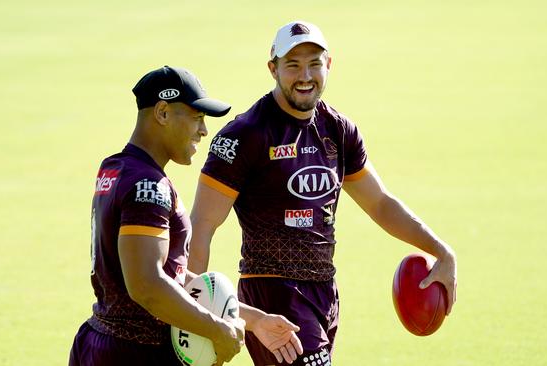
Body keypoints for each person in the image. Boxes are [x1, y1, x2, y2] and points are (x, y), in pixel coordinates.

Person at [188, 21, 458, 365]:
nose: (305, 75)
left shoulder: (339, 130)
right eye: (293, 65)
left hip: (324, 293)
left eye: (314, 63)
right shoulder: (245, 135)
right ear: (273, 69)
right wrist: (193, 314)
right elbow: (202, 225)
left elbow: (379, 203)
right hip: (274, 295)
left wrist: (440, 250)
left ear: (329, 64)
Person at [69, 65, 303, 366]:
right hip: (134, 354)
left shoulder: (115, 169)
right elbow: (147, 285)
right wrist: (218, 332)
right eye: (196, 117)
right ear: (163, 113)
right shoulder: (148, 186)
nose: (204, 130)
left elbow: (168, 275)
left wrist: (252, 319)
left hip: (100, 342)